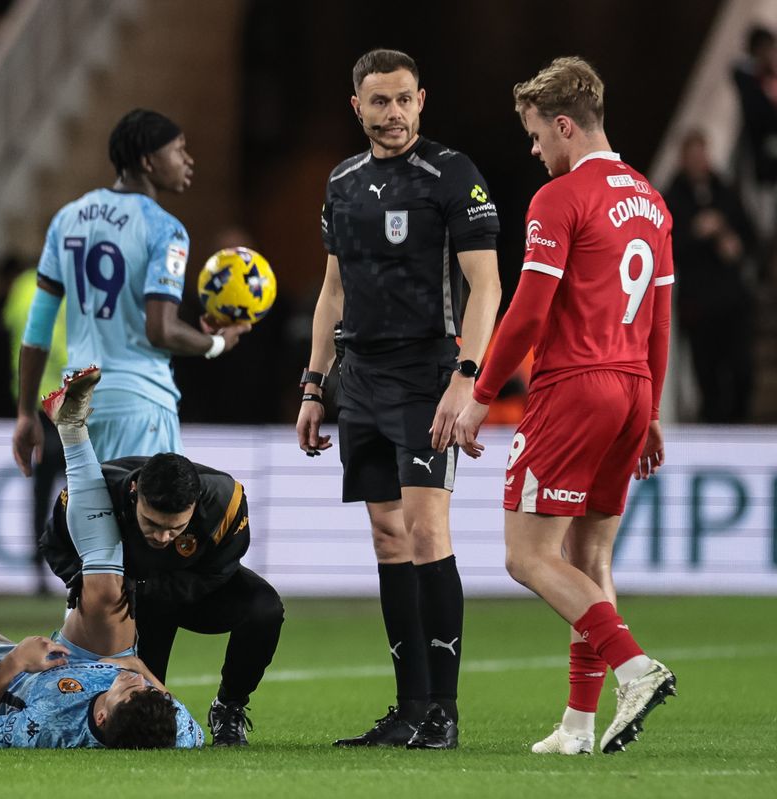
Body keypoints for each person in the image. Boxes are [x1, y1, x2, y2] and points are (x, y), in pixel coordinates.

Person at [455, 57, 677, 756]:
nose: (533, 150)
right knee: (589, 555)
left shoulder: (561, 197)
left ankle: (635, 666)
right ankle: (579, 725)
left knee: (529, 556)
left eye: (534, 135)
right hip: (633, 383)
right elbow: (661, 320)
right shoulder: (652, 200)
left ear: (562, 125)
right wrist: (652, 412)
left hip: (575, 384)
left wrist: (479, 394)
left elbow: (526, 311)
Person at [296, 48, 502, 750]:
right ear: (357, 106)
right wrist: (314, 385)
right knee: (387, 537)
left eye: (404, 99)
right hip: (360, 377)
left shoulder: (452, 175)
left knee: (424, 530)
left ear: (423, 100)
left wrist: (466, 377)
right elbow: (332, 291)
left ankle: (443, 711)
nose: (393, 114)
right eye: (379, 102)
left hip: (427, 376)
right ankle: (408, 707)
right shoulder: (343, 181)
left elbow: (487, 286)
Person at [0, 366, 203, 749]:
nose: (142, 685)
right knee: (104, 592)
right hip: (92, 654)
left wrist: (15, 663)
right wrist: (136, 668)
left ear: (101, 717)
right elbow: (162, 700)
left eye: (134, 691)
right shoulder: (177, 730)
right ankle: (72, 428)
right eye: (155, 693)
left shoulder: (48, 727)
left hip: (20, 673)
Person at [11, 108, 251, 471]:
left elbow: (37, 329)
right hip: (137, 401)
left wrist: (25, 412)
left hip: (76, 405)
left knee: (94, 526)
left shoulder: (68, 218)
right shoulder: (164, 229)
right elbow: (161, 330)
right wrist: (218, 344)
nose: (188, 159)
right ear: (147, 161)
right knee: (152, 525)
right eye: (178, 149)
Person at [39, 451, 284, 746]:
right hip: (129, 602)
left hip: (193, 590)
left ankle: (228, 707)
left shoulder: (226, 500)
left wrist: (149, 587)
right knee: (144, 719)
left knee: (265, 608)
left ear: (194, 505)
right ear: (134, 493)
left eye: (176, 528)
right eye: (152, 524)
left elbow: (220, 571)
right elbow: (53, 545)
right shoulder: (93, 491)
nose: (164, 537)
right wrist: (85, 578)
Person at [666, 130, 756, 423]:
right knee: (707, 376)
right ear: (684, 160)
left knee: (742, 370)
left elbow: (750, 236)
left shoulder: (725, 190)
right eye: (692, 157)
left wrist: (733, 242)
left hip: (733, 301)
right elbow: (667, 250)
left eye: (702, 155)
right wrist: (697, 233)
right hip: (698, 306)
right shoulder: (672, 198)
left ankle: (739, 429)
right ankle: (715, 434)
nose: (698, 162)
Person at [3, 259, 67, 594]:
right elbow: (57, 344)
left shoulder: (23, 285)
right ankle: (77, 564)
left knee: (40, 491)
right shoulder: (70, 290)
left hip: (32, 400)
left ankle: (39, 570)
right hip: (65, 404)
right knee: (79, 490)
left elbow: (13, 326)